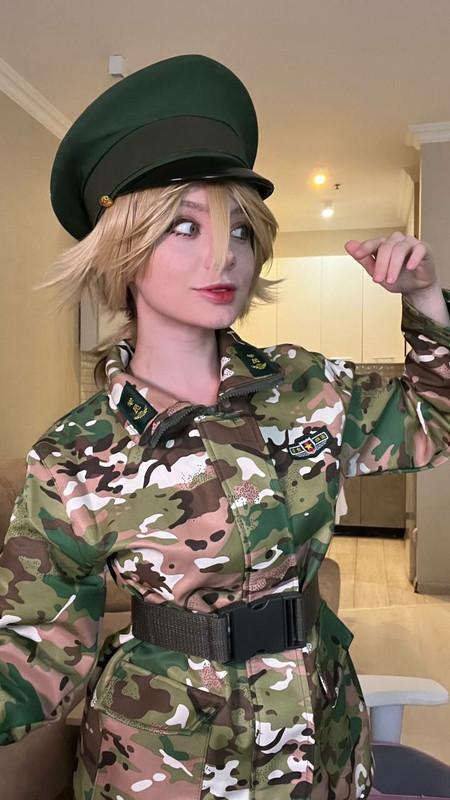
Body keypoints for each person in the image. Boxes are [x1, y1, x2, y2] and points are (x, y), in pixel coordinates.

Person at [1, 54, 449, 800]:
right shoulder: (74, 455)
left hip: (320, 739)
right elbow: (34, 654)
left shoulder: (305, 388)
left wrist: (427, 301)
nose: (224, 254)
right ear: (122, 249)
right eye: (184, 226)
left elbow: (436, 421)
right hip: (160, 762)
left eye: (241, 229)